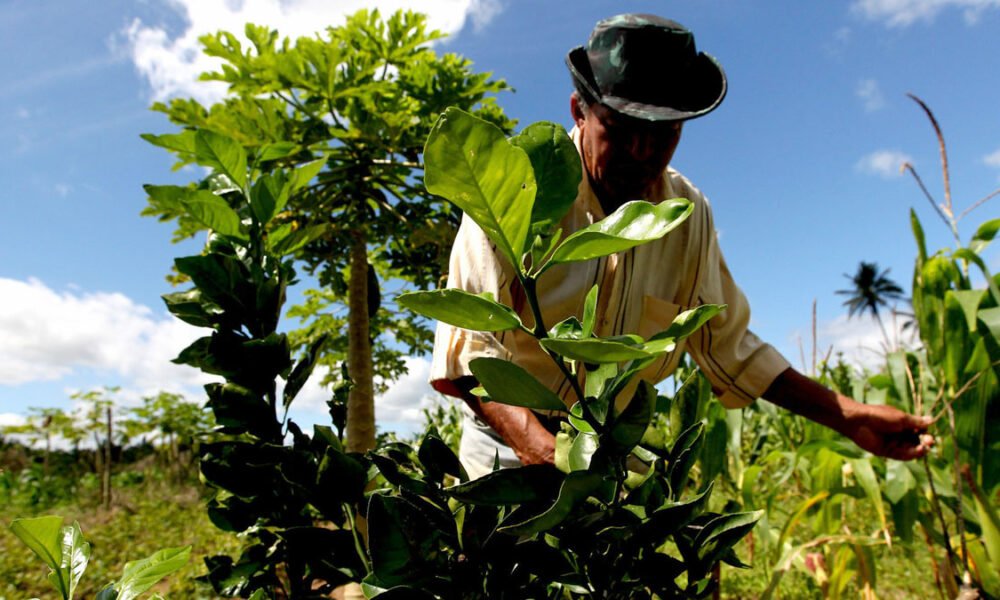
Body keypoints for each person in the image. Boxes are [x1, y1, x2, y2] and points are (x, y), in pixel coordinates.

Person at [429, 13, 933, 479]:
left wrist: (849, 416)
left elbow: (730, 348)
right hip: (506, 453)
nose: (643, 152)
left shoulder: (684, 215)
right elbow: (469, 344)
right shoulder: (518, 187)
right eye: (621, 131)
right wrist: (536, 445)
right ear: (579, 112)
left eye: (664, 134)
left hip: (607, 458)